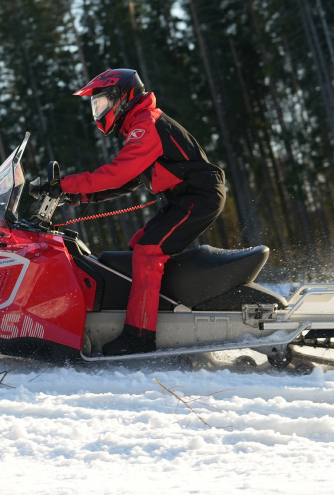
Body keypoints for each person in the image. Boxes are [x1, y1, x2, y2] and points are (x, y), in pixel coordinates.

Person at [59, 69, 226, 356]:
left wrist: (64, 184)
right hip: (185, 199)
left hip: (200, 197)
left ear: (121, 98)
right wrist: (76, 193)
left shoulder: (146, 124)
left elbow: (117, 173)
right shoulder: (139, 124)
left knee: (148, 252)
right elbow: (128, 180)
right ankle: (160, 309)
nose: (98, 111)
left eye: (100, 103)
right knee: (139, 245)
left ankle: (140, 335)